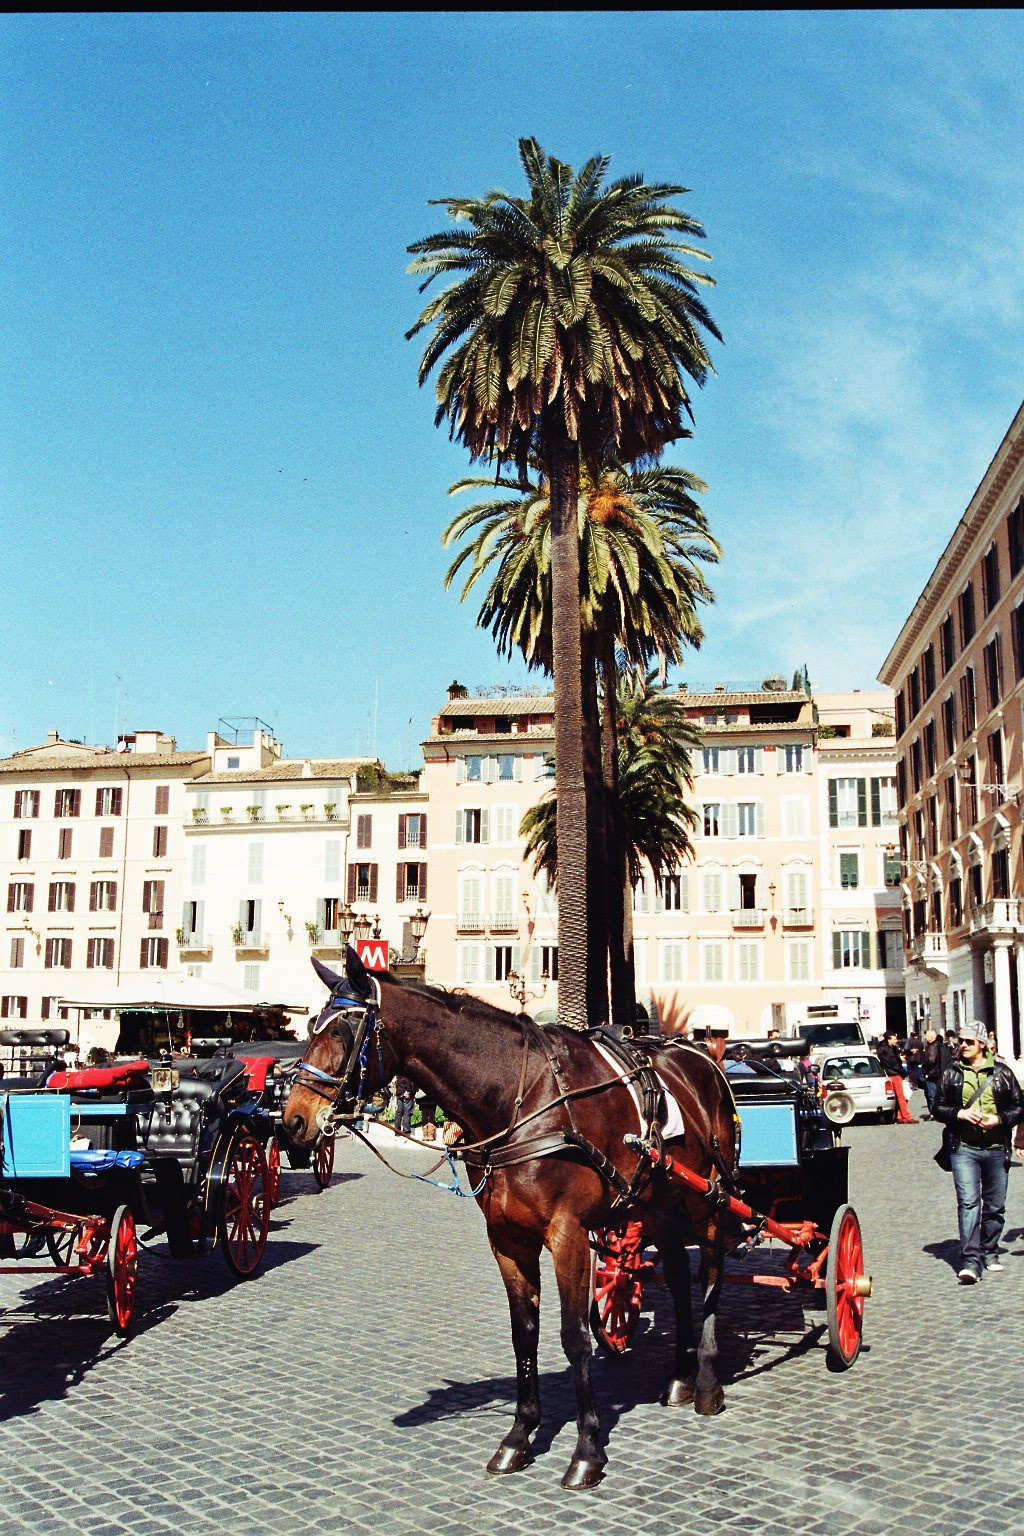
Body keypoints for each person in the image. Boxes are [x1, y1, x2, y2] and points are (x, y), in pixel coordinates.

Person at [933, 1019, 1024, 1284]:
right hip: (964, 1149)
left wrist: (1000, 1119)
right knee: (969, 1204)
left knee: (995, 1207)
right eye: (961, 1041)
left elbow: (1020, 1107)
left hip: (996, 1149)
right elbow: (937, 1107)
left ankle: (990, 1250)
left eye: (969, 1042)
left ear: (983, 1045)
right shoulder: (951, 1073)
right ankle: (971, 1261)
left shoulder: (1003, 1073)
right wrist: (959, 1113)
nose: (963, 1046)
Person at [876, 1030, 917, 1123]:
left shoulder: (884, 1048)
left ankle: (899, 1116)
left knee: (898, 1097)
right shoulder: (888, 1050)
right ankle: (906, 1117)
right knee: (902, 1097)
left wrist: (909, 1052)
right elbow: (894, 1064)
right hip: (894, 1074)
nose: (896, 1041)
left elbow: (900, 1051)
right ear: (888, 1040)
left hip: (890, 1074)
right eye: (894, 1039)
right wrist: (904, 1073)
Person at [921, 1027, 951, 1118]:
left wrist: (923, 1063)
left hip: (932, 1074)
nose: (925, 1038)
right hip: (938, 1073)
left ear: (930, 1038)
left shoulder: (932, 1047)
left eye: (926, 1036)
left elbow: (931, 1060)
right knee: (936, 1094)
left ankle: (934, 1113)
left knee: (932, 1095)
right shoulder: (939, 1046)